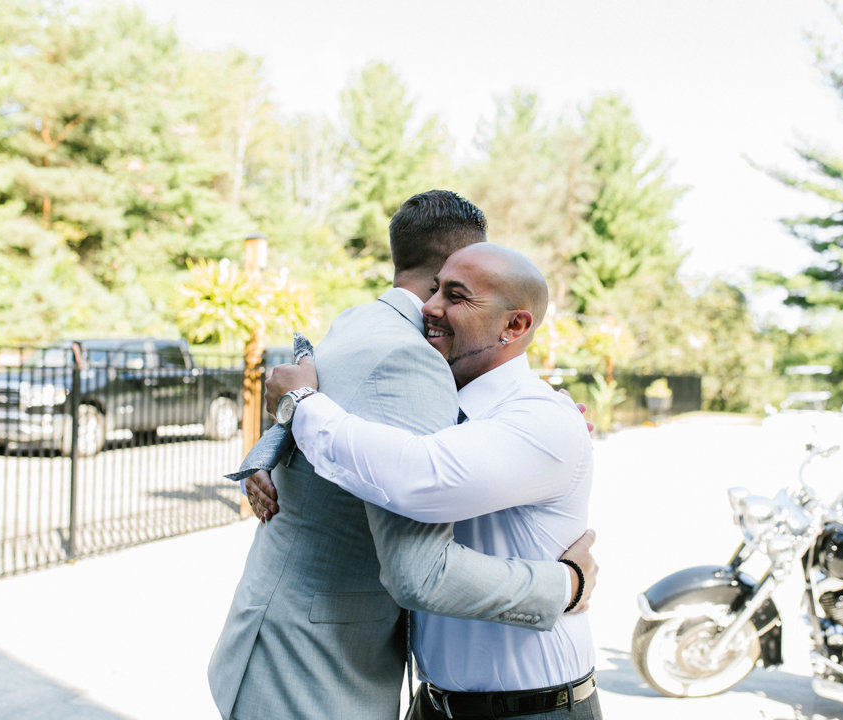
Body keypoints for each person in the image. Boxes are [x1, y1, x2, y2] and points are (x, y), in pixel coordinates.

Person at [208, 191, 596, 720]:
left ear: (514, 325)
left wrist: (295, 412)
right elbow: (406, 467)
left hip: (529, 706)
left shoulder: (361, 325)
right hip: (337, 672)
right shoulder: (409, 356)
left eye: (456, 294)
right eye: (439, 289)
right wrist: (565, 584)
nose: (433, 307)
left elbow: (418, 472)